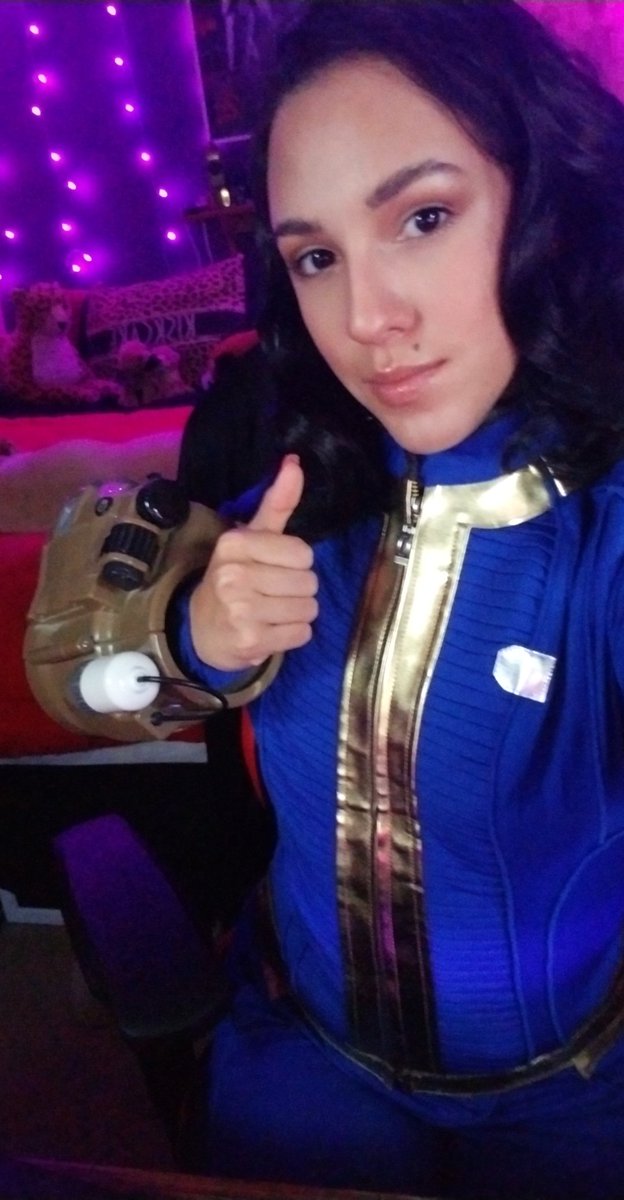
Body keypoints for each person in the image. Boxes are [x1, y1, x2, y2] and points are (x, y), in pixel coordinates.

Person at [133, 1, 624, 1196]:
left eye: (424, 217)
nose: (367, 322)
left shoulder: (603, 524)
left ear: (546, 205)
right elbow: (96, 668)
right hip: (305, 1056)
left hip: (575, 1095)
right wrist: (196, 637)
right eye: (316, 256)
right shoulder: (289, 482)